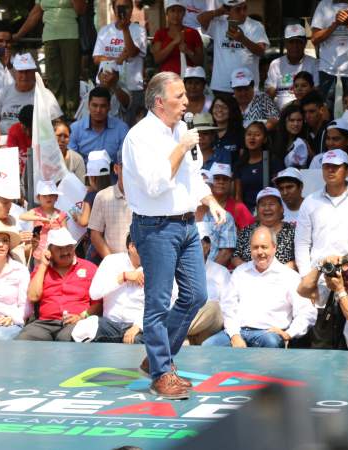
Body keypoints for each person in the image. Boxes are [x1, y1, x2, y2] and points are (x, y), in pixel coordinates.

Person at [121, 71, 228, 399]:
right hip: (155, 227)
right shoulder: (140, 138)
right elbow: (155, 186)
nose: (186, 101)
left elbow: (193, 175)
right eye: (179, 97)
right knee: (157, 301)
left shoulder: (182, 129)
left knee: (196, 294)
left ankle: (157, 356)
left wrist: (209, 200)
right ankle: (161, 371)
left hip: (186, 224)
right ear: (159, 102)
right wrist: (180, 147)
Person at [204, 226, 317, 348]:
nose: (260, 252)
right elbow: (228, 307)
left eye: (264, 247)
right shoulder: (240, 272)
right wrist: (234, 335)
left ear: (274, 248)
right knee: (208, 346)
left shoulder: (289, 277)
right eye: (255, 247)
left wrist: (289, 333)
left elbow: (307, 312)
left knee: (271, 343)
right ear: (250, 249)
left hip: (268, 334)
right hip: (238, 331)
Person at [295, 149, 348, 281]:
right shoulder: (310, 202)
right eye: (326, 167)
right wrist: (306, 277)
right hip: (319, 278)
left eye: (336, 167)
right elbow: (302, 243)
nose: (330, 170)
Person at [17, 228, 102, 341]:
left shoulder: (89, 268)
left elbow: (98, 303)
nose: (65, 252)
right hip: (45, 323)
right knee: (25, 337)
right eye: (60, 248)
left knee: (66, 339)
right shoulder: (41, 269)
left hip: (77, 321)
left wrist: (82, 316)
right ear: (49, 250)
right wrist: (43, 265)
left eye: (69, 247)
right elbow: (33, 297)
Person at [13, 0, 86, 119]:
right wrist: (18, 35)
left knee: (71, 78)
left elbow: (81, 10)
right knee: (53, 80)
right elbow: (35, 14)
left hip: (70, 36)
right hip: (49, 38)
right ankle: (55, 117)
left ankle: (72, 116)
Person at [88, 234, 156, 344]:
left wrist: (138, 326)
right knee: (86, 329)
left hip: (137, 326)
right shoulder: (111, 261)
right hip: (109, 324)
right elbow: (94, 293)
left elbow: (162, 303)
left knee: (139, 339)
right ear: (132, 246)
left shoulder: (156, 267)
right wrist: (122, 277)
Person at [93, 0, 148, 126]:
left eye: (126, 7)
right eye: (119, 7)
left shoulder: (139, 30)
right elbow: (96, 58)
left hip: (132, 89)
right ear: (113, 8)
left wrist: (125, 30)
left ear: (132, 9)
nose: (123, 11)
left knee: (132, 131)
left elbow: (133, 52)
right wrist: (119, 59)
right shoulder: (104, 31)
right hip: (106, 87)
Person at [197, 0, 269, 95]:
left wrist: (243, 39)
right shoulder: (219, 23)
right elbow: (200, 19)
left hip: (246, 87)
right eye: (238, 9)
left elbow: (261, 52)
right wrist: (219, 11)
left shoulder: (256, 26)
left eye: (245, 8)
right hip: (221, 86)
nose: (243, 12)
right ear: (228, 10)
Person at [185, 222, 230, 344]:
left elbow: (228, 305)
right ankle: (182, 336)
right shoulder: (177, 269)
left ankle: (170, 332)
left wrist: (233, 333)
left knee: (213, 307)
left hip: (210, 327)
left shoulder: (221, 272)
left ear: (207, 246)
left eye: (197, 243)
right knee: (185, 344)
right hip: (188, 324)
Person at [232, 187, 296, 269]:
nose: (267, 208)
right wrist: (250, 271)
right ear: (257, 210)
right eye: (263, 205)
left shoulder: (292, 232)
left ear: (281, 209)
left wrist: (277, 273)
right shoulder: (247, 231)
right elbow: (235, 256)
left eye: (271, 204)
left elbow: (300, 259)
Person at [68, 87, 130, 163]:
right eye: (94, 105)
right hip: (84, 173)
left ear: (109, 107)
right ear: (88, 106)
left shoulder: (121, 129)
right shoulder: (75, 129)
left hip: (113, 173)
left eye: (103, 106)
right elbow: (71, 161)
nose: (98, 110)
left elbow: (124, 161)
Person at [89, 153, 132, 260]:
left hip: (142, 266)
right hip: (113, 263)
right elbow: (95, 234)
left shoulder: (145, 197)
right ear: (116, 168)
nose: (129, 173)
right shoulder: (103, 197)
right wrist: (111, 261)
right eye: (125, 168)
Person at [265, 24, 319, 109]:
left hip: (304, 109)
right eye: (291, 42)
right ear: (285, 43)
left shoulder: (314, 63)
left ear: (304, 43)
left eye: (298, 42)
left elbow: (316, 91)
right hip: (280, 112)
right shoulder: (276, 64)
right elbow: (270, 92)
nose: (295, 46)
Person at [234, 121, 284, 212]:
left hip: (269, 212)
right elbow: (238, 197)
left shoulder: (273, 161)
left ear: (264, 139)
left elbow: (280, 191)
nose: (252, 138)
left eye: (257, 135)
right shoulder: (240, 164)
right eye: (249, 134)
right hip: (247, 214)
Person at [0, 52, 43, 134]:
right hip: (3, 140)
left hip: (30, 142)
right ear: (15, 72)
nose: (24, 76)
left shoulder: (43, 94)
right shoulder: (4, 91)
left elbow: (55, 123)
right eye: (21, 72)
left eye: (27, 72)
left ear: (34, 72)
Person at [20, 180, 69, 260]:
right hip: (39, 252)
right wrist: (40, 218)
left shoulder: (61, 214)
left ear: (56, 197)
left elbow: (66, 234)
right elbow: (22, 216)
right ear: (38, 198)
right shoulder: (36, 211)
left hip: (56, 253)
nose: (48, 198)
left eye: (51, 195)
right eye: (44, 196)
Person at [152, 0, 204, 75]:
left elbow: (200, 62)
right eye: (172, 11)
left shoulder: (193, 33)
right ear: (167, 13)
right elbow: (157, 59)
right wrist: (173, 43)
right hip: (167, 79)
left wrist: (188, 51)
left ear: (184, 13)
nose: (176, 15)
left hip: (188, 80)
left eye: (180, 11)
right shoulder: (160, 33)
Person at [207, 162, 253, 231]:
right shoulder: (200, 206)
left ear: (230, 183)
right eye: (217, 178)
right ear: (209, 181)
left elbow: (249, 234)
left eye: (225, 179)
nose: (221, 182)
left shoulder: (239, 207)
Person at [209, 94, 244, 168]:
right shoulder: (207, 132)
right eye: (216, 107)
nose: (220, 110)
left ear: (232, 110)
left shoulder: (240, 133)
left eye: (224, 107)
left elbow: (243, 160)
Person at [300, 91, 331, 161]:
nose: (307, 116)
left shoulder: (330, 131)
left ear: (321, 110)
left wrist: (312, 155)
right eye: (305, 112)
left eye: (312, 111)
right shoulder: (303, 130)